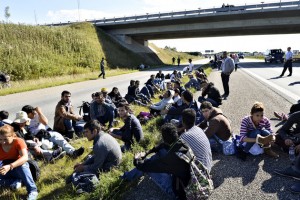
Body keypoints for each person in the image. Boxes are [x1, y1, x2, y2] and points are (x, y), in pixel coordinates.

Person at [130, 123, 192, 200]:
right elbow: (163, 145)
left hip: (182, 194)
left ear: (163, 138)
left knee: (148, 165)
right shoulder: (182, 143)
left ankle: (126, 177)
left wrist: (136, 159)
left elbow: (144, 166)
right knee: (159, 155)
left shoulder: (171, 159)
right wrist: (147, 152)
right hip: (187, 178)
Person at [0, 125, 38, 200]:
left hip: (19, 167)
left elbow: (25, 157)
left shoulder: (18, 141)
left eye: (5, 139)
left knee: (22, 165)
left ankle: (32, 190)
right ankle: (16, 182)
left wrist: (10, 166)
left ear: (12, 136)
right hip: (5, 168)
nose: (3, 142)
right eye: (0, 139)